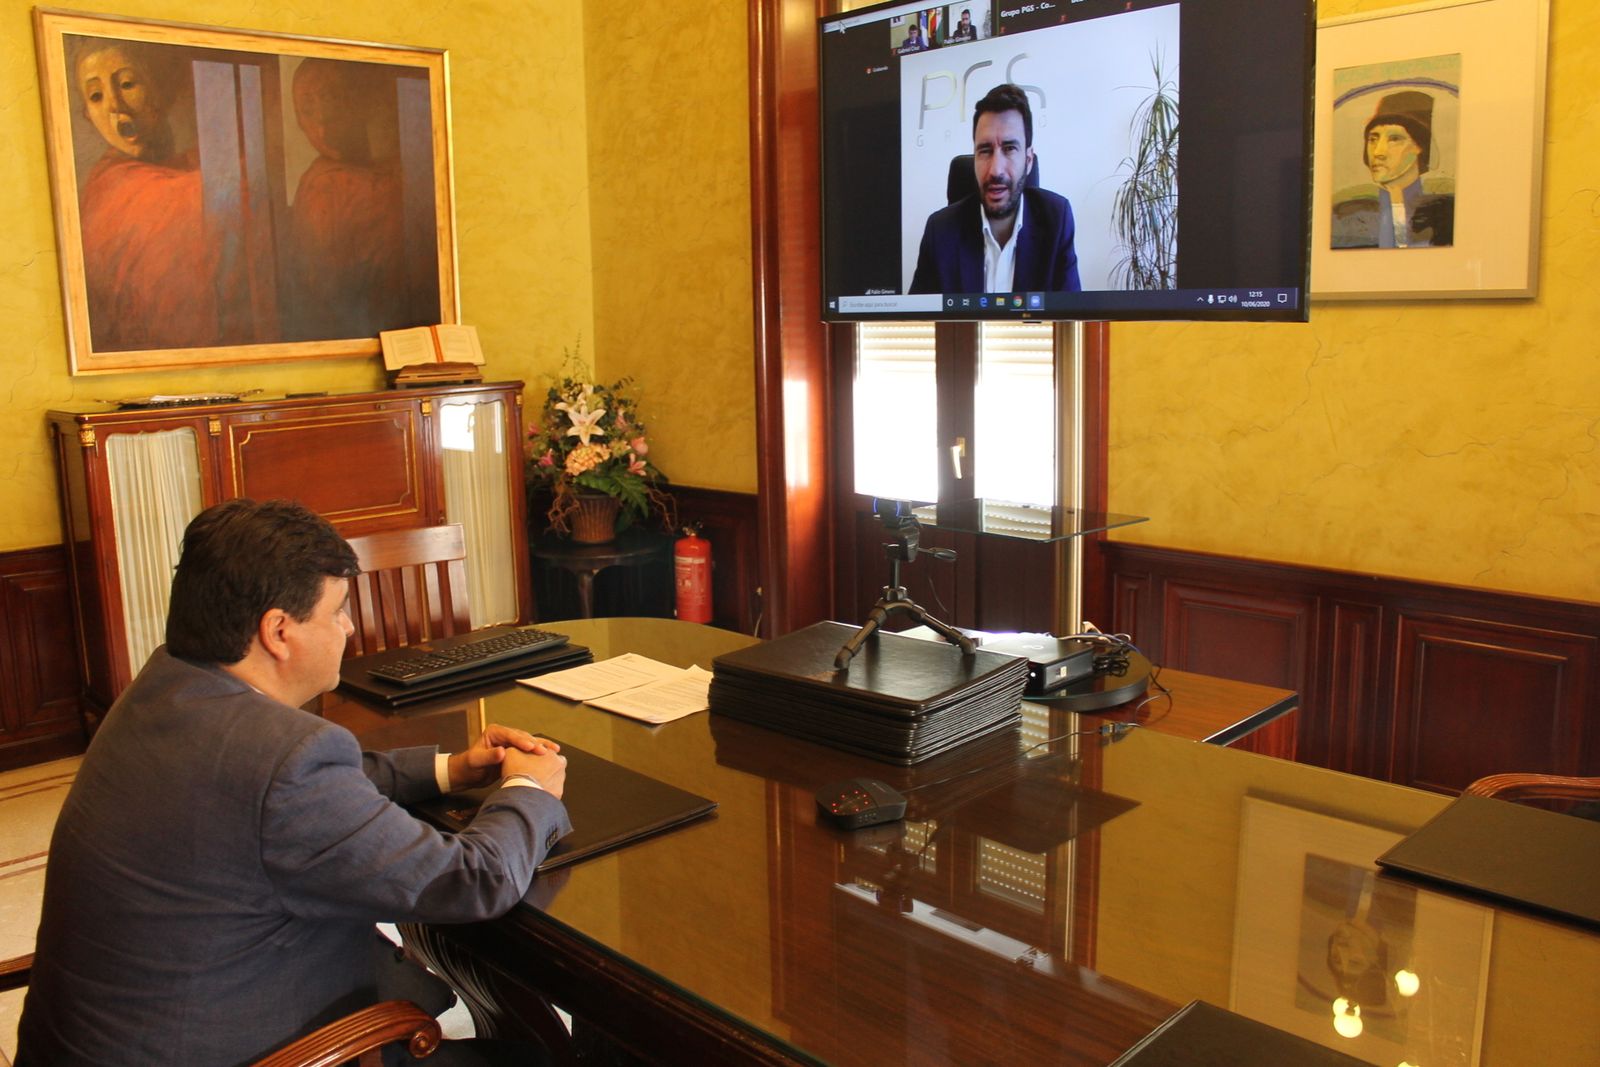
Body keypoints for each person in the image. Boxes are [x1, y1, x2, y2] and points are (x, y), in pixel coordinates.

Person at [16, 499, 572, 1066]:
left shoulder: (166, 685)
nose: (350, 627)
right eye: (338, 611)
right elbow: (472, 882)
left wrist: (450, 768)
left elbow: (285, 787)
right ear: (278, 630)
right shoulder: (284, 759)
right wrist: (527, 790)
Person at [71, 38, 254, 351]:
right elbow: (212, 193)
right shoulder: (115, 185)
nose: (115, 106)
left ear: (160, 89)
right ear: (87, 114)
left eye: (127, 83)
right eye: (96, 96)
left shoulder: (179, 166)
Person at [909, 83, 1081, 295]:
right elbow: (918, 324)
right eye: (985, 150)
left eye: (1009, 149)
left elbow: (1071, 320)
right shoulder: (941, 231)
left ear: (1028, 160)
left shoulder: (1056, 220)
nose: (995, 170)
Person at [1330, 90, 1455, 249]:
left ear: (1420, 147)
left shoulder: (1444, 212)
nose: (1378, 152)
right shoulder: (1345, 214)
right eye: (1373, 139)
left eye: (1395, 139)